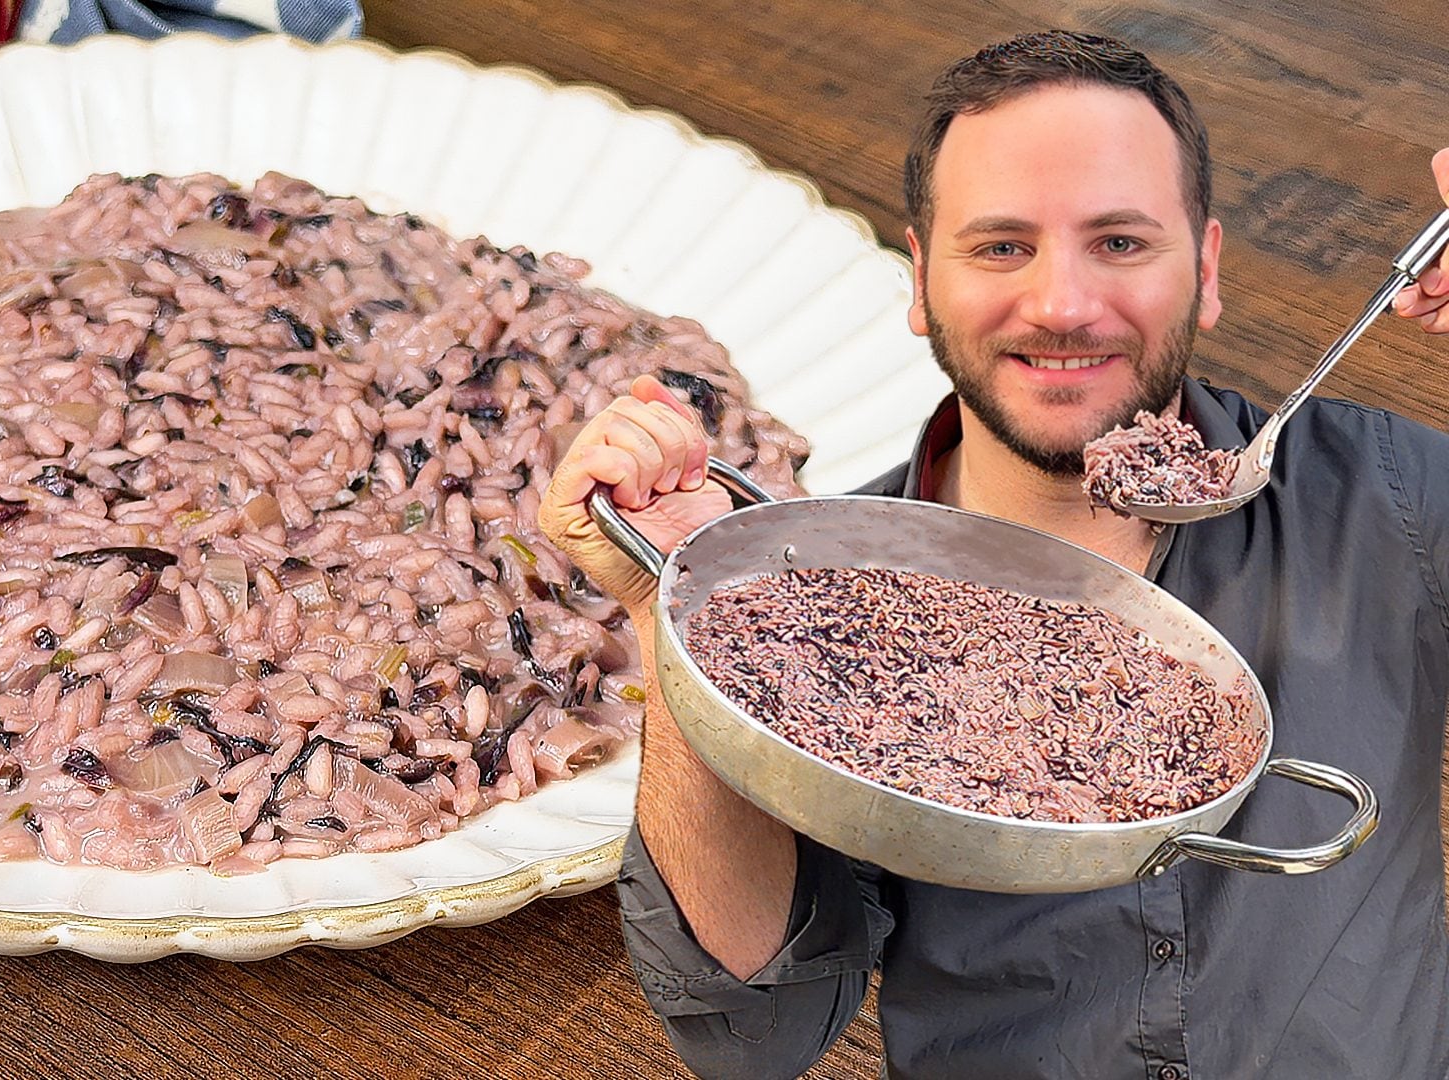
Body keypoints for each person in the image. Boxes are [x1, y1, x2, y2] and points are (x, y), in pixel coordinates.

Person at [539, 30, 1449, 1080]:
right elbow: (750, 1037)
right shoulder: (816, 613)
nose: (1062, 305)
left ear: (1203, 272)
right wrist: (675, 616)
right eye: (1001, 247)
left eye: (1119, 242)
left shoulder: (1388, 495)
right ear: (921, 282)